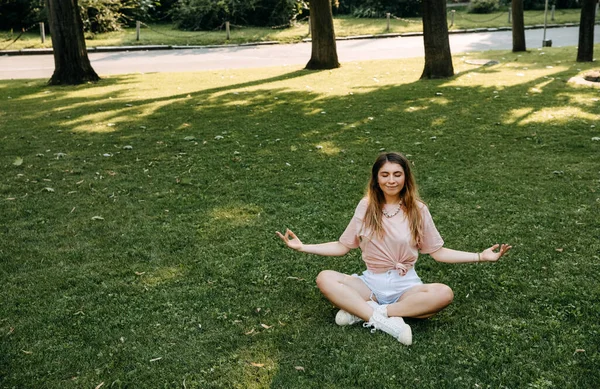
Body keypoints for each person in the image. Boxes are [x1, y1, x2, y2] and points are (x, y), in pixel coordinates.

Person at [276, 152, 511, 346]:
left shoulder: (418, 210)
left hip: (406, 285)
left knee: (443, 294)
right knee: (324, 278)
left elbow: (438, 252)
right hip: (370, 283)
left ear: (405, 178)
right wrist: (303, 246)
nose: (391, 180)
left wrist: (480, 256)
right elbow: (342, 246)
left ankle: (365, 313)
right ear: (376, 179)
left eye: (397, 174)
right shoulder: (366, 206)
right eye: (385, 175)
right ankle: (386, 320)